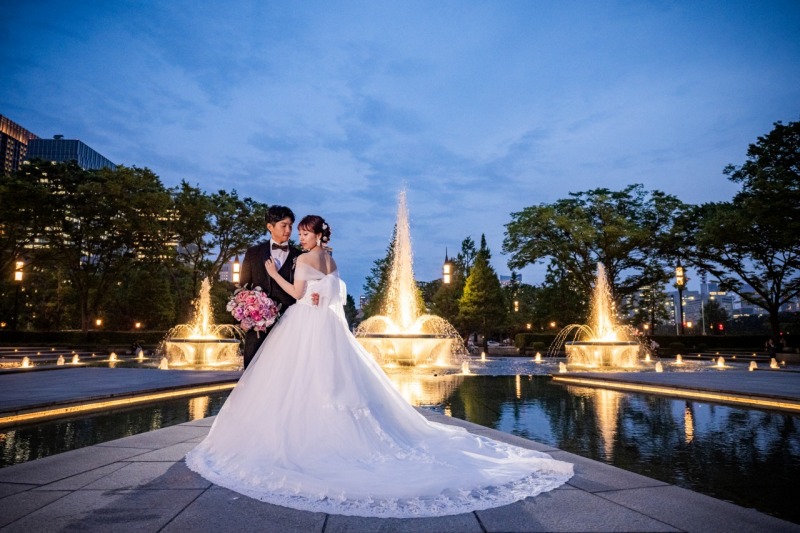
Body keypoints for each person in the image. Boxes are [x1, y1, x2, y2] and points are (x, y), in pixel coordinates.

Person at [186, 215, 573, 518]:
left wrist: (272, 276)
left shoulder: (305, 259)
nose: (301, 237)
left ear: (317, 235)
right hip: (328, 329)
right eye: (299, 232)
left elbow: (297, 294)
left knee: (297, 381)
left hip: (303, 324)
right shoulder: (332, 261)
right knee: (330, 379)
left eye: (305, 232)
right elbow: (334, 297)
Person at [238, 205, 302, 369]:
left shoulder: (300, 256)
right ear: (270, 226)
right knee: (252, 371)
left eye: (290, 226)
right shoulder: (253, 253)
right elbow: (243, 288)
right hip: (257, 326)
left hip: (289, 324)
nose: (288, 230)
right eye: (283, 225)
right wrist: (243, 318)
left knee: (285, 372)